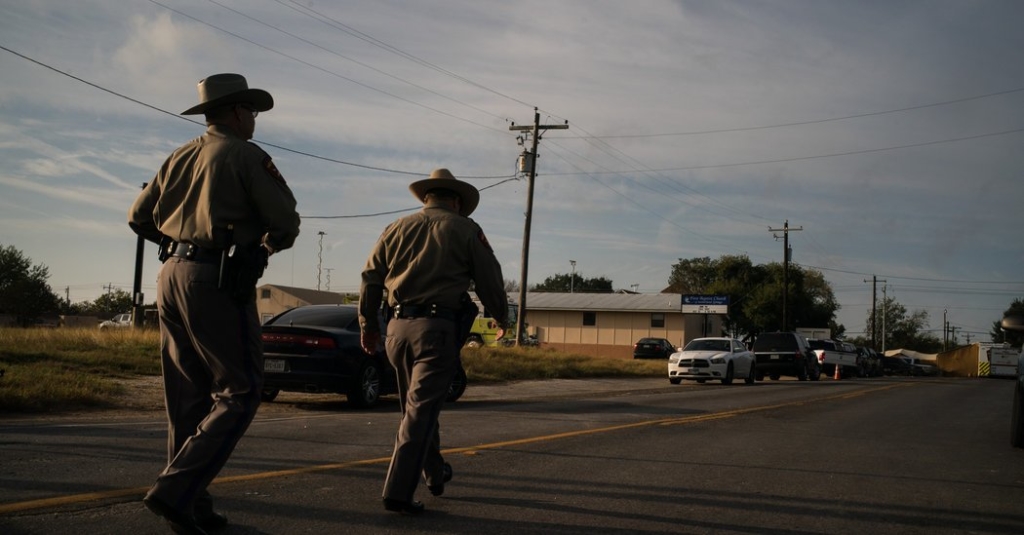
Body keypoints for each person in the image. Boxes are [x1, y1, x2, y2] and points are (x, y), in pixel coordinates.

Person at [128, 73, 301, 534]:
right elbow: (285, 219)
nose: (255, 120)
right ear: (237, 111)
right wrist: (263, 247)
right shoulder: (245, 155)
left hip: (171, 276)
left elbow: (137, 216)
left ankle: (191, 506)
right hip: (217, 279)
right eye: (253, 112)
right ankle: (175, 490)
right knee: (240, 390)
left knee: (187, 394)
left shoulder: (179, 155)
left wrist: (177, 243)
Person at [359, 168, 509, 514]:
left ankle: (434, 472)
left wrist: (368, 325)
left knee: (415, 410)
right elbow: (489, 278)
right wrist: (501, 316)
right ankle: (397, 492)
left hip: (397, 330)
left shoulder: (395, 228)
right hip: (436, 330)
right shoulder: (464, 229)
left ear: (426, 198)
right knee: (420, 412)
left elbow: (369, 277)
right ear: (456, 201)